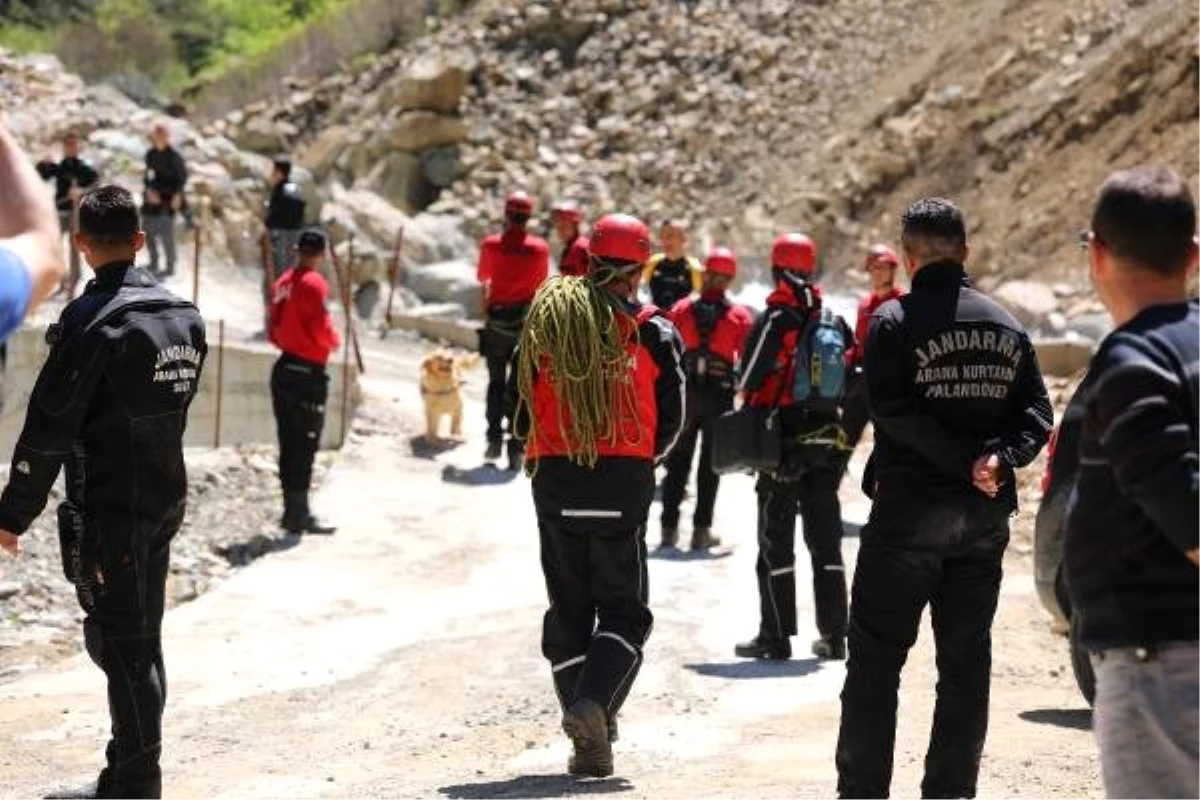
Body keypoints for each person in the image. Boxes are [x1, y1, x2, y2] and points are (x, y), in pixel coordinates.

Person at [835, 198, 1052, 800]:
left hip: (907, 518)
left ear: (907, 258)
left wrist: (964, 458)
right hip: (981, 522)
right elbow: (1038, 412)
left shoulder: (893, 322)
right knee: (964, 668)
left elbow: (892, 412)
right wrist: (998, 457)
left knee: (876, 665)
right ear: (966, 252)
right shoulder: (1006, 325)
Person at [0, 185, 206, 800]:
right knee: (139, 637)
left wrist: (12, 514)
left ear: (82, 244)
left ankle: (138, 783)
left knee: (123, 645)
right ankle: (127, 770)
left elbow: (49, 428)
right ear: (140, 241)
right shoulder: (185, 318)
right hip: (164, 500)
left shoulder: (90, 324)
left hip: (110, 510)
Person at [512, 213, 685, 778]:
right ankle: (594, 708)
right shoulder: (654, 328)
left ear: (586, 261)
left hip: (556, 478)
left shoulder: (550, 321)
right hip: (621, 481)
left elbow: (518, 397)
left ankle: (590, 735)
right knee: (624, 613)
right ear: (638, 270)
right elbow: (674, 417)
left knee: (569, 609)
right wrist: (641, 461)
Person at [1064, 167, 1200, 799]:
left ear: (1096, 254)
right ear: (1193, 257)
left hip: (1161, 668)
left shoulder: (1133, 362)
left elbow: (1188, 513)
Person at [733, 233, 856, 662]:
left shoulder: (776, 319)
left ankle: (776, 636)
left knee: (775, 541)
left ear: (775, 269)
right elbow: (854, 379)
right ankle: (835, 636)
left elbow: (748, 377)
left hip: (780, 443)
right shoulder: (833, 320)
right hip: (825, 441)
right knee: (825, 542)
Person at [660, 245, 753, 551]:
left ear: (705, 274)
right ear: (729, 279)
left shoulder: (681, 308)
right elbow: (749, 362)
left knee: (678, 462)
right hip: (719, 396)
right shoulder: (739, 316)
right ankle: (701, 530)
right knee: (710, 466)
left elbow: (666, 351)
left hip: (686, 393)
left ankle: (668, 529)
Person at [268, 228, 340, 536]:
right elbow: (321, 328)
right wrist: (334, 343)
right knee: (305, 445)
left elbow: (273, 327)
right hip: (307, 374)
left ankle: (290, 511)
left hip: (284, 368)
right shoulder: (314, 284)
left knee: (288, 443)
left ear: (298, 251)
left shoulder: (283, 282)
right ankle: (300, 515)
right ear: (322, 254)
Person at [477, 190, 550, 467]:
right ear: (529, 217)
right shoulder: (539, 249)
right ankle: (516, 448)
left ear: (506, 214)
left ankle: (493, 441)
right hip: (524, 326)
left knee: (496, 384)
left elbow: (483, 277)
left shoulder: (490, 245)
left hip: (496, 323)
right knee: (521, 388)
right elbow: (541, 283)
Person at [0, 122, 65, 340]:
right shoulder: (47, 168)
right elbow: (45, 250)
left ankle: (67, 285)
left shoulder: (69, 167)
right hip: (48, 215)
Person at [841, 244, 905, 457]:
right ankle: (830, 481)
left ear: (892, 270)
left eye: (883, 267)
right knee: (844, 438)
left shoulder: (904, 303)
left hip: (889, 384)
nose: (878, 272)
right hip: (861, 379)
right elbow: (858, 344)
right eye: (874, 267)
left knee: (891, 444)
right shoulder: (865, 305)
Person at [36, 130, 100, 295]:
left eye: (73, 144)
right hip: (60, 212)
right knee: (55, 247)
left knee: (74, 247)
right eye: (67, 144)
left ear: (78, 146)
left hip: (76, 213)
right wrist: (43, 163)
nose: (70, 147)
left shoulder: (85, 167)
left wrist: (81, 191)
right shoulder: (60, 165)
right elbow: (41, 175)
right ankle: (62, 280)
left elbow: (96, 185)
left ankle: (74, 281)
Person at [141, 123, 187, 278]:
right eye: (157, 135)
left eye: (162, 135)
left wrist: (178, 196)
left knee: (166, 234)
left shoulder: (175, 157)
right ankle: (153, 262)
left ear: (167, 137)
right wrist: (149, 191)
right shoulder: (150, 154)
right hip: (151, 198)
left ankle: (170, 266)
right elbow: (147, 176)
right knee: (147, 231)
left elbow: (181, 179)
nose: (159, 138)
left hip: (168, 199)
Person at [641, 218, 702, 311]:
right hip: (655, 320)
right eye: (662, 236)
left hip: (681, 321)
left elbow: (698, 296)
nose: (666, 241)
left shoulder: (695, 267)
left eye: (670, 236)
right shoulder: (653, 262)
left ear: (683, 238)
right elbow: (641, 291)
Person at [264, 158, 306, 275]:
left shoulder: (279, 189)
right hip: (296, 232)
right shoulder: (296, 188)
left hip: (280, 232)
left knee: (279, 265)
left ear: (279, 173)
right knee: (292, 264)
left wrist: (268, 225)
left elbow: (273, 212)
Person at [551, 201, 590, 278]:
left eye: (564, 226)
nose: (560, 231)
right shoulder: (571, 246)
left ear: (575, 225)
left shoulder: (581, 247)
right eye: (558, 227)